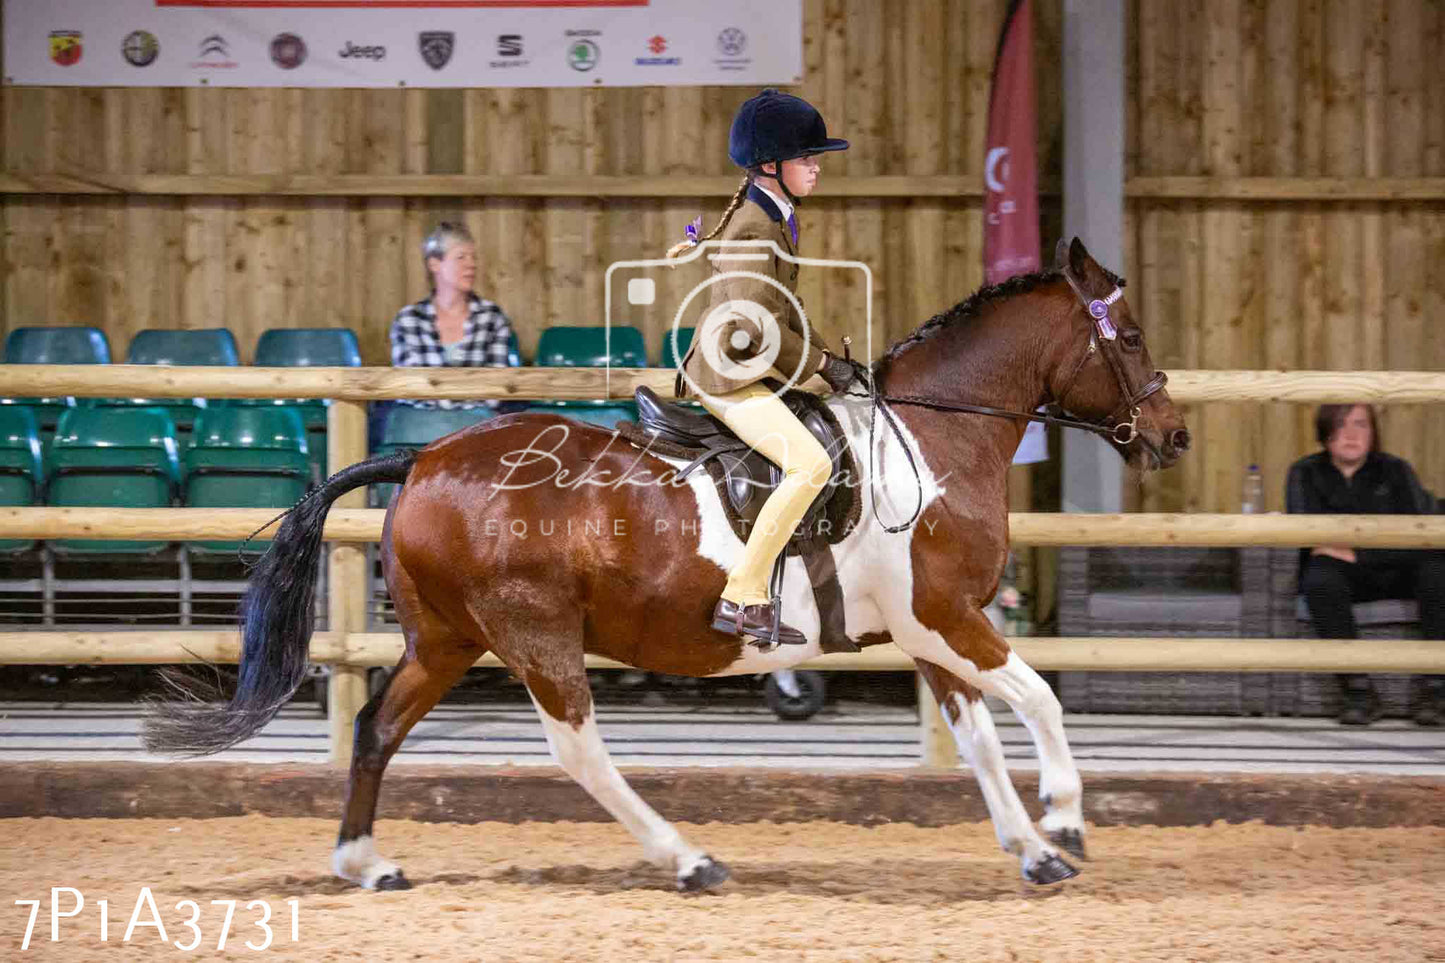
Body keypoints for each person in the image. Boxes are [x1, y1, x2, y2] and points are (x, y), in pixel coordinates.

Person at [666, 89, 857, 647]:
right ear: (771, 166)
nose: (817, 167)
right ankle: (743, 594)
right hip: (731, 374)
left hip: (751, 364)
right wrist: (820, 364)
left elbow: (784, 312)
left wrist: (833, 362)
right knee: (811, 466)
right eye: (807, 158)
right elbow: (755, 328)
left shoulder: (775, 214)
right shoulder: (755, 227)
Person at [1285, 403, 1445, 726]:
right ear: (1326, 433)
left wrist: (1358, 552)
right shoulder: (1304, 472)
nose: (1351, 434)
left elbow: (1418, 533)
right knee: (1320, 579)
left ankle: (1437, 691)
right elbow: (1311, 535)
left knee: (1437, 570)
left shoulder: (1397, 470)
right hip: (1343, 575)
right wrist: (1358, 547)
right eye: (1341, 425)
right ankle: (1357, 691)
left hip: (1396, 567)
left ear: (1373, 433)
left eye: (1360, 424)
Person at [382, 222, 517, 443]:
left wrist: (456, 412)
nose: (471, 265)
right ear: (435, 263)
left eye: (473, 258)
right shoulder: (409, 319)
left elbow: (496, 385)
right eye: (461, 257)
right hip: (418, 425)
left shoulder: (492, 317)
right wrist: (461, 404)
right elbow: (411, 388)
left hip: (477, 425)